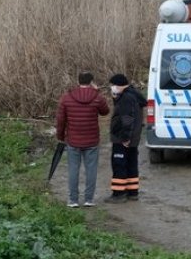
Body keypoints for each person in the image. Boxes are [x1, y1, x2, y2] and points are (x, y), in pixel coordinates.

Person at [55, 72, 110, 208]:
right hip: (91, 140)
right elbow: (105, 111)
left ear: (78, 81)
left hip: (73, 140)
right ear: (91, 82)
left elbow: (61, 120)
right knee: (91, 170)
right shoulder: (97, 97)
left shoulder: (66, 98)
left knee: (73, 170)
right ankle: (89, 199)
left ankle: (73, 200)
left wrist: (60, 136)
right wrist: (97, 92)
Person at [104, 73, 146, 204]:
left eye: (113, 85)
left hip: (124, 138)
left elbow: (127, 118)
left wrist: (125, 137)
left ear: (118, 85)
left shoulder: (127, 98)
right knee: (131, 164)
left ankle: (118, 194)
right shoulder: (133, 95)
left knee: (119, 164)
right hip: (133, 139)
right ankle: (132, 192)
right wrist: (116, 98)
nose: (112, 88)